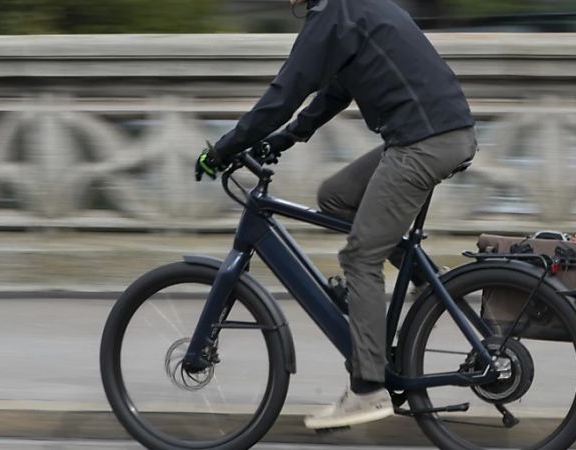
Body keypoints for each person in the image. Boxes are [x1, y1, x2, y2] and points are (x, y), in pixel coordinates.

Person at [194, 0, 477, 429]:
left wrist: (223, 149)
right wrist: (286, 139)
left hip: (423, 143)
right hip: (434, 133)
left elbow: (283, 93)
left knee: (360, 258)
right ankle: (426, 289)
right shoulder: (354, 9)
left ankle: (367, 389)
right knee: (337, 197)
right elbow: (336, 89)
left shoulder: (332, 15)